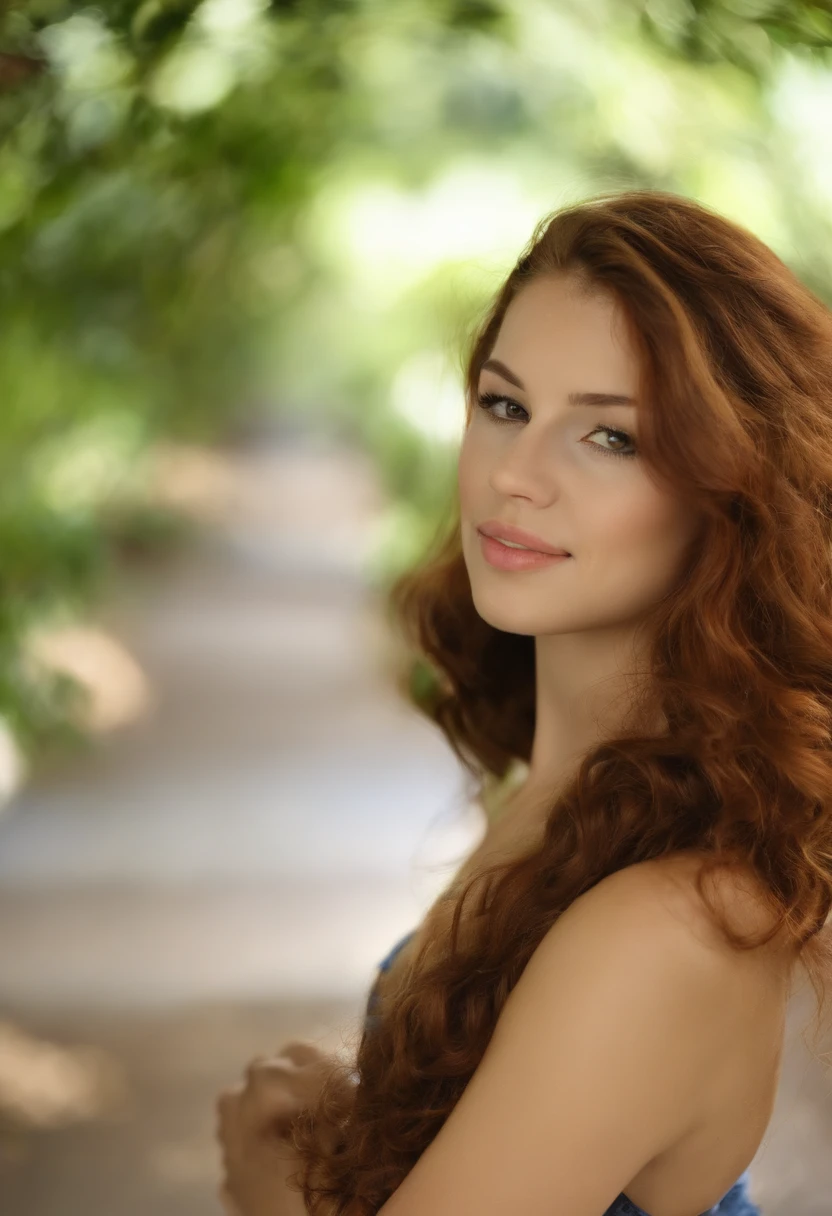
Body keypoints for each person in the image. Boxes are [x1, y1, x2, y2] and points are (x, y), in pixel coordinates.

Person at [216, 188, 832, 1215]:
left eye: (610, 438)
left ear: (735, 494)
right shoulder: (560, 796)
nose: (515, 474)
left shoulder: (672, 925)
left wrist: (275, 1181)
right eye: (505, 406)